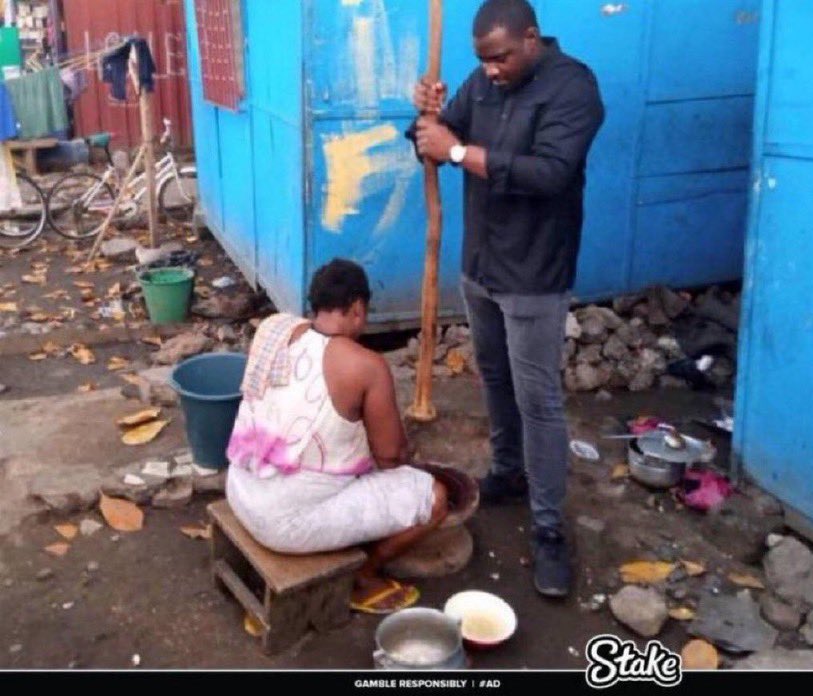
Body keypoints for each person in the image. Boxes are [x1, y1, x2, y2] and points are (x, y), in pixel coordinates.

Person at [410, 0, 604, 597]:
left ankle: (548, 529)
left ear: (530, 38)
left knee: (538, 398)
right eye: (482, 60)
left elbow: (550, 173)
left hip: (535, 273)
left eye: (499, 58)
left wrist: (459, 151)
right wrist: (425, 120)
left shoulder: (574, 88)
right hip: (482, 264)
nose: (490, 70)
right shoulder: (481, 82)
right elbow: (431, 142)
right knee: (493, 378)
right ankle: (506, 471)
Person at [226, 259, 448, 614]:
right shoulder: (365, 365)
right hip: (282, 526)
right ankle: (364, 573)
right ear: (358, 310)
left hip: (240, 489)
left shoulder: (275, 327)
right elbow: (390, 457)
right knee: (435, 497)